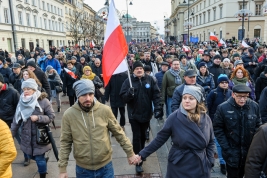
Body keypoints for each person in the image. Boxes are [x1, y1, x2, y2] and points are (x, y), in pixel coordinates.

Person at [58, 79, 138, 178]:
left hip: (106, 167)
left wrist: (130, 153)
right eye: (83, 95)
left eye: (90, 94)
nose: (88, 98)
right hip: (83, 170)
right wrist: (62, 168)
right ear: (77, 95)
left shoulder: (104, 110)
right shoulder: (69, 115)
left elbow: (119, 133)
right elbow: (65, 142)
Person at [135, 85, 215, 178]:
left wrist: (210, 160)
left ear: (198, 101)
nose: (187, 100)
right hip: (180, 164)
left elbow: (211, 141)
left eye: (191, 98)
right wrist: (142, 155)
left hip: (200, 164)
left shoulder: (205, 118)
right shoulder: (174, 117)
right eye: (184, 97)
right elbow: (159, 139)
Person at [120, 61, 163, 173]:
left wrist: (158, 108)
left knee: (144, 136)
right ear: (133, 70)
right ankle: (138, 161)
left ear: (143, 70)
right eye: (137, 68)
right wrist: (129, 95)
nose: (139, 70)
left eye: (141, 68)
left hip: (146, 114)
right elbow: (123, 98)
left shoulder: (150, 80)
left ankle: (141, 153)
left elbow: (156, 95)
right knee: (136, 137)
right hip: (134, 115)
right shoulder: (127, 82)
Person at [213, 84, 262, 178]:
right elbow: (218, 128)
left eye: (245, 96)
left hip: (249, 153)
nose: (242, 99)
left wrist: (254, 146)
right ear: (233, 95)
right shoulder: (223, 108)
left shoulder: (254, 106)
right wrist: (227, 148)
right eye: (239, 96)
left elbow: (258, 127)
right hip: (232, 153)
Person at [11, 79, 55, 178]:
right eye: (24, 89)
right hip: (26, 136)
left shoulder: (43, 101)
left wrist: (38, 118)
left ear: (34, 89)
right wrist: (11, 135)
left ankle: (42, 174)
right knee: (31, 156)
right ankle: (43, 161)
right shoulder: (21, 101)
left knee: (39, 159)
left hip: (39, 136)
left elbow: (51, 116)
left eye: (28, 89)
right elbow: (16, 120)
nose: (25, 91)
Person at [207, 74, 232, 175]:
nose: (225, 84)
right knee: (218, 143)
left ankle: (227, 161)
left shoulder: (231, 92)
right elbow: (208, 106)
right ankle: (222, 163)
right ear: (219, 83)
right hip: (216, 121)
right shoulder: (214, 93)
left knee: (228, 142)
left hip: (229, 122)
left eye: (226, 82)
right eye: (222, 82)